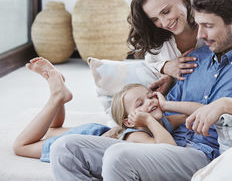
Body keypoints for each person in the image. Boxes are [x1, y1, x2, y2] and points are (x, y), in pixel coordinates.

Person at [50, 0, 232, 180]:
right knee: (66, 148)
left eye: (208, 26)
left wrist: (225, 104)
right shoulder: (195, 58)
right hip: (167, 145)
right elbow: (165, 112)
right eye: (199, 25)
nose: (200, 35)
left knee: (119, 156)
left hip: (205, 155)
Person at [13, 58, 200, 162]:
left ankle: (60, 95)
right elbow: (169, 151)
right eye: (139, 104)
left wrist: (167, 105)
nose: (150, 102)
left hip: (94, 133)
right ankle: (57, 97)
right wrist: (149, 120)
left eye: (150, 97)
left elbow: (196, 112)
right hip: (85, 139)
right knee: (21, 146)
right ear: (128, 122)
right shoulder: (137, 135)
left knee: (53, 129)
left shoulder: (163, 120)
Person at [128, 0, 202, 93]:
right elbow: (151, 61)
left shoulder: (209, 22)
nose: (164, 23)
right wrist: (166, 67)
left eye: (166, 12)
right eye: (154, 19)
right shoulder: (160, 41)